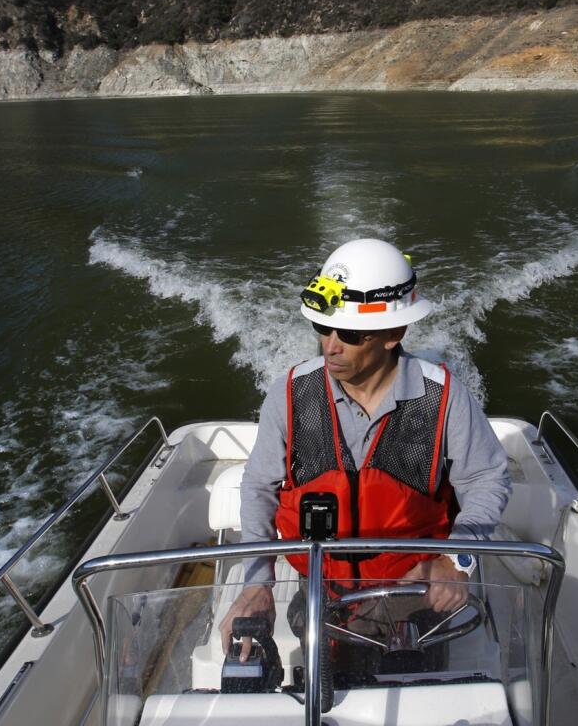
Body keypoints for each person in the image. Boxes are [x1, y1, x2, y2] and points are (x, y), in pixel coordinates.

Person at [219, 238, 511, 657]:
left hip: (414, 595)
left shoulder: (445, 398)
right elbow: (259, 488)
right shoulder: (289, 394)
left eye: (350, 333)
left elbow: (487, 479)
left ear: (394, 332)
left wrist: (456, 559)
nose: (330, 345)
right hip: (320, 591)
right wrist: (256, 583)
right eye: (323, 327)